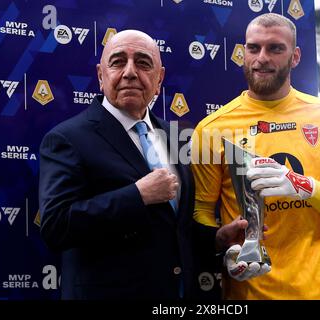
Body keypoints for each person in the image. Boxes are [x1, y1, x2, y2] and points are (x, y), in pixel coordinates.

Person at [39, 29, 246, 300]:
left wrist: (217, 239)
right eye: (117, 62)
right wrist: (137, 196)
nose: (130, 72)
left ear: (159, 79)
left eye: (143, 63)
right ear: (101, 76)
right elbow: (56, 226)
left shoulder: (175, 138)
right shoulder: (66, 138)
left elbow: (173, 228)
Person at [191, 13, 320, 299]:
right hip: (248, 295)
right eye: (253, 48)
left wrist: (305, 187)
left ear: (295, 56)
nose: (262, 57)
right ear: (243, 53)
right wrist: (225, 249)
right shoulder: (211, 129)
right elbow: (201, 214)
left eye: (275, 48)